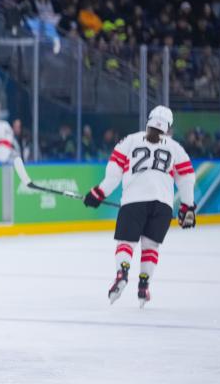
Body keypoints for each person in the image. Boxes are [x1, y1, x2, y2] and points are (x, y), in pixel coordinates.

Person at [83, 106, 196, 307]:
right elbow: (186, 177)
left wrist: (97, 193)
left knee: (126, 242)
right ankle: (143, 286)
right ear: (169, 126)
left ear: (149, 121)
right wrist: (188, 207)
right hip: (163, 205)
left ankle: (122, 272)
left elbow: (113, 174)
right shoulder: (175, 147)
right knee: (151, 246)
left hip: (133, 200)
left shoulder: (130, 140)